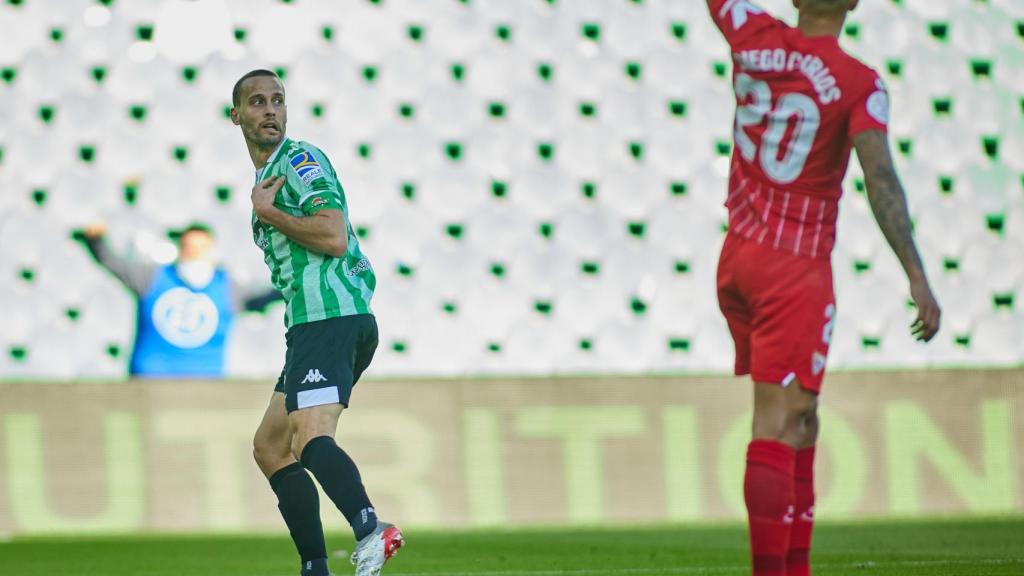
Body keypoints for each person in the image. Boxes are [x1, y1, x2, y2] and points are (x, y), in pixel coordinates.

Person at [706, 1, 941, 575]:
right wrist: (915, 273)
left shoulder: (752, 35)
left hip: (739, 254)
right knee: (777, 420)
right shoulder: (857, 82)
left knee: (803, 413)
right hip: (794, 266)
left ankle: (796, 567)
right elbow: (879, 179)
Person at [233, 69, 403, 576]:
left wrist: (270, 214)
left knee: (309, 439)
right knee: (270, 446)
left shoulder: (299, 161)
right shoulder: (267, 179)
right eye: (258, 102)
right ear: (236, 115)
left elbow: (332, 236)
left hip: (331, 317)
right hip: (309, 326)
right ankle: (315, 566)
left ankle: (372, 529)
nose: (270, 110)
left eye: (278, 100)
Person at [80, 221, 281, 378]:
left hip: (205, 386)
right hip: (148, 384)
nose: (194, 253)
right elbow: (113, 262)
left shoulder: (227, 286)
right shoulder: (154, 277)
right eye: (188, 246)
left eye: (201, 247)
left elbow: (265, 296)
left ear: (212, 250)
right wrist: (96, 239)